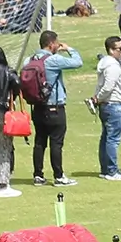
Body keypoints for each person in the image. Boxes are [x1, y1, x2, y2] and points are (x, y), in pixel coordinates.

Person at [27, 29, 82, 187]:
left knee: (40, 142)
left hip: (37, 107)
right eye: (57, 43)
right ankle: (59, 176)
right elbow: (77, 62)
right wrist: (70, 49)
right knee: (56, 142)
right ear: (51, 44)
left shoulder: (29, 60)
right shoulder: (53, 60)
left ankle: (38, 175)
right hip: (54, 107)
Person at [92, 35, 121, 181]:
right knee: (113, 139)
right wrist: (99, 97)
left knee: (106, 137)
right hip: (113, 104)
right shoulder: (112, 66)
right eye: (119, 49)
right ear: (110, 50)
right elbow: (108, 86)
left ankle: (105, 169)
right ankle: (112, 171)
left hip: (107, 104)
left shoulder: (106, 63)